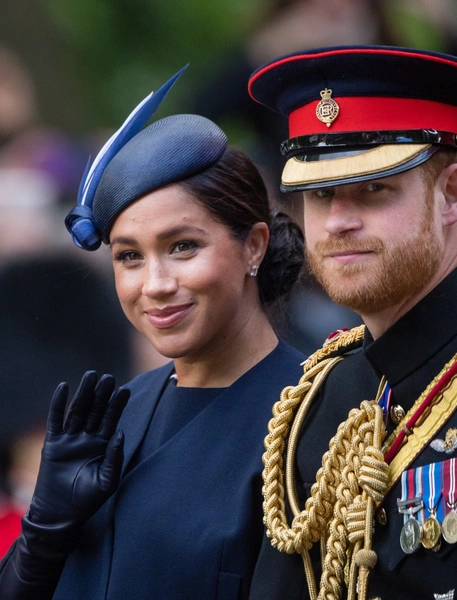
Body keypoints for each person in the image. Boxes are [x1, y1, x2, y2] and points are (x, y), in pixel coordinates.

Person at [0, 67, 305, 599]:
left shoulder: (311, 412)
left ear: (253, 245)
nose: (156, 285)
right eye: (130, 257)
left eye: (183, 246)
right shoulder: (119, 412)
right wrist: (43, 533)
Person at [246, 45, 457, 599]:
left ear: (452, 194)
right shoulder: (320, 399)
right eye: (320, 194)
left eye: (374, 189)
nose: (338, 220)